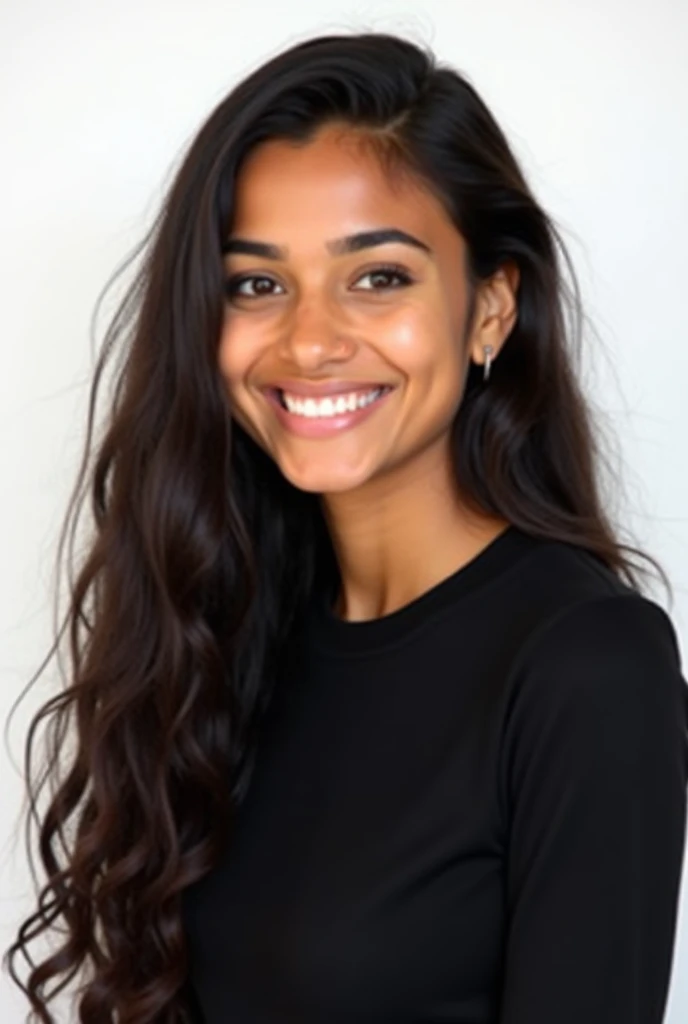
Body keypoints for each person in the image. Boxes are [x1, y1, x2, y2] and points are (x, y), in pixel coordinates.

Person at [4, 29, 688, 1024]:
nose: (310, 339)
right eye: (256, 282)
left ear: (491, 308)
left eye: (378, 276)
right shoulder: (230, 628)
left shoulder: (585, 668)